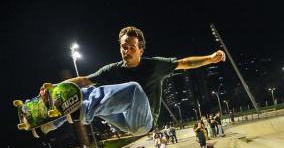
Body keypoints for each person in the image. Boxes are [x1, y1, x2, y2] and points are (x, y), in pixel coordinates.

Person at [39, 26, 225, 137]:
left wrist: (209, 58)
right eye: (123, 47)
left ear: (141, 50)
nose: (126, 51)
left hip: (144, 122)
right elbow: (83, 80)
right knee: (84, 93)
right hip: (121, 120)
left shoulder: (154, 66)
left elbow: (183, 63)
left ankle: (82, 111)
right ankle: (48, 123)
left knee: (134, 89)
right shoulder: (113, 69)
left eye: (131, 48)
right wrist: (54, 88)